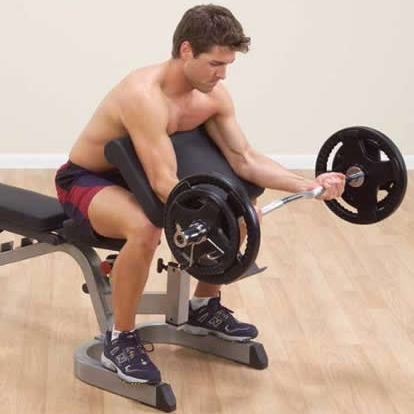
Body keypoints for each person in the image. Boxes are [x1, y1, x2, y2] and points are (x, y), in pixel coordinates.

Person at [55, 4, 345, 385]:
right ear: (187, 50)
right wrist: (211, 214)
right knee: (144, 228)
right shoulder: (143, 96)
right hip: (89, 179)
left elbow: (244, 159)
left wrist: (307, 184)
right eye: (215, 64)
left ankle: (203, 306)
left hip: (141, 175)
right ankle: (120, 339)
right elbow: (163, 181)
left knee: (243, 205)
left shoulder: (213, 97)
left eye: (228, 65)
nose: (222, 74)